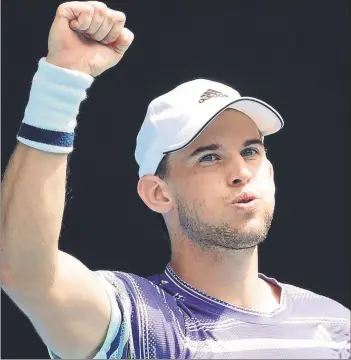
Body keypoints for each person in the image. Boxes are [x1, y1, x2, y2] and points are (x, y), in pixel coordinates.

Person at [1, 1, 349, 359]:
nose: (241, 172)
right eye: (209, 157)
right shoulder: (137, 321)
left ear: (270, 174)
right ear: (158, 193)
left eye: (250, 152)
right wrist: (63, 78)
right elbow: (26, 272)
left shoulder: (337, 327)